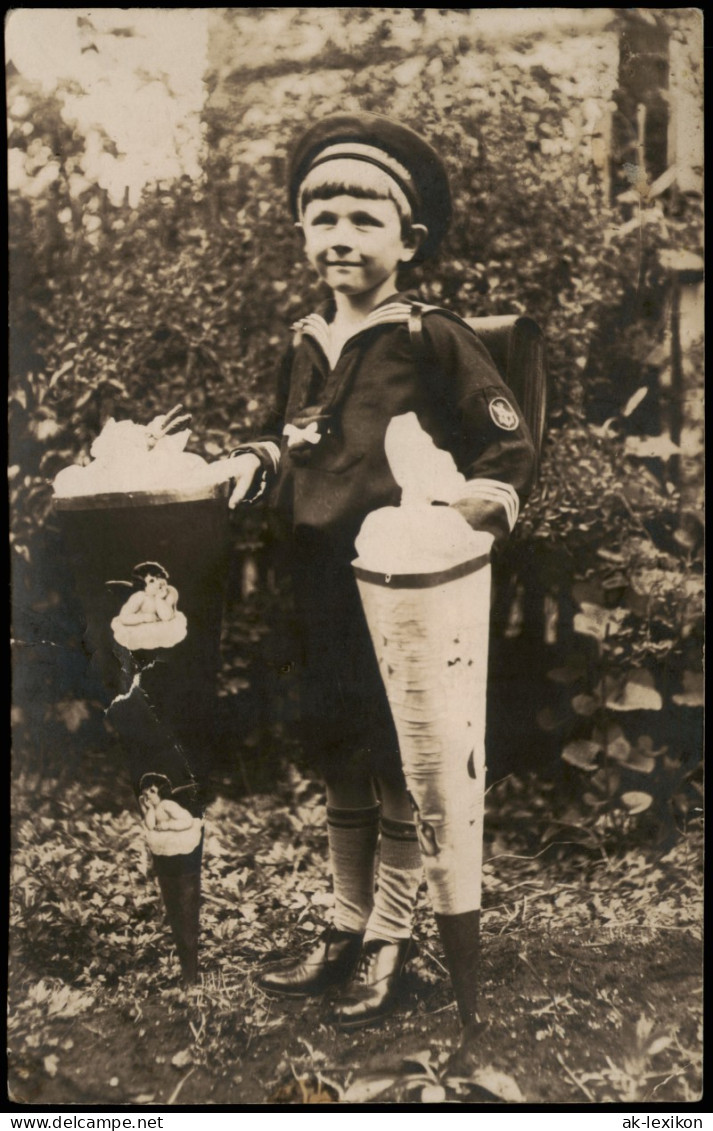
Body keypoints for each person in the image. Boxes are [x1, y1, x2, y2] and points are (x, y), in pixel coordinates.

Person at [226, 112, 536, 1034]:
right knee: (337, 756)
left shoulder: (425, 335)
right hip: (316, 578)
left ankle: (389, 940)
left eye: (364, 219)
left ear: (410, 240)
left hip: (398, 588)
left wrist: (481, 500)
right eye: (322, 217)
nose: (340, 237)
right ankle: (342, 920)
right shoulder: (305, 341)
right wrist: (256, 464)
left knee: (401, 762)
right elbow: (304, 443)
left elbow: (506, 437)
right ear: (300, 233)